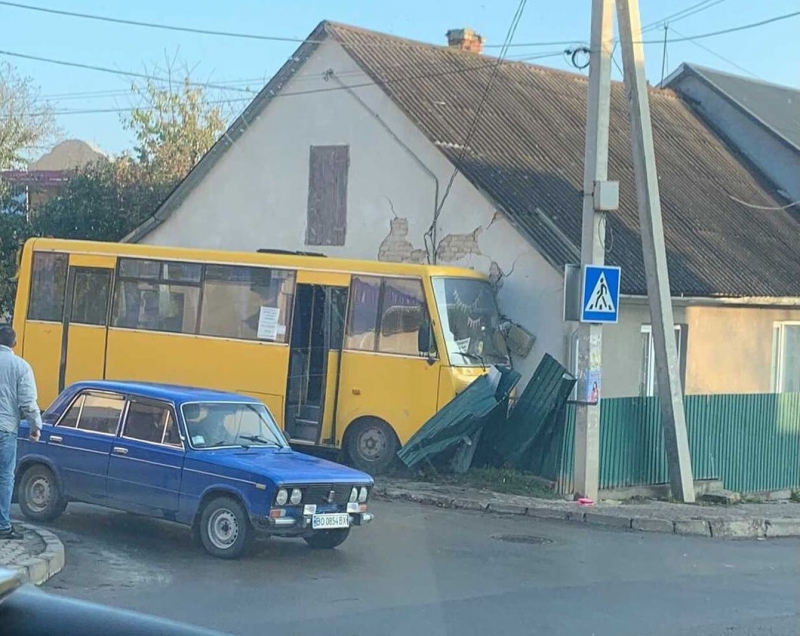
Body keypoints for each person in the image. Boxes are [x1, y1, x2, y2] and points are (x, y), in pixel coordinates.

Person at [0, 326, 43, 540]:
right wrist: (36, 428)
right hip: (6, 429)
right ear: (14, 344)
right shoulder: (21, 366)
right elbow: (28, 403)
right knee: (5, 477)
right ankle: (2, 525)